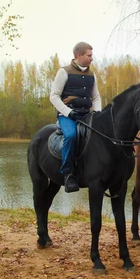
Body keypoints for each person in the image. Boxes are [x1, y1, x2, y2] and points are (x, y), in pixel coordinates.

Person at [49, 42, 102, 192]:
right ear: (79, 55)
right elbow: (53, 96)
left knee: (100, 135)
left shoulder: (92, 74)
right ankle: (68, 173)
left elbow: (96, 97)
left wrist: (97, 113)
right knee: (72, 135)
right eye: (89, 55)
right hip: (68, 116)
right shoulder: (64, 72)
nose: (92, 58)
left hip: (86, 114)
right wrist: (68, 112)